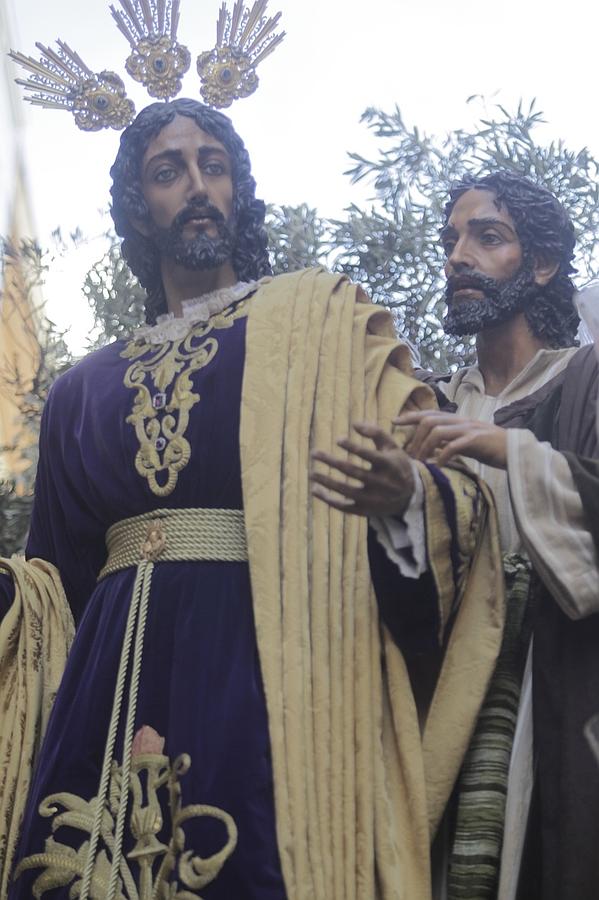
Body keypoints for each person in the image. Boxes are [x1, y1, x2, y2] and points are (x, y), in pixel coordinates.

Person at [1, 99, 505, 900]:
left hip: (266, 666)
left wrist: (404, 495)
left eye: (214, 165)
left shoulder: (322, 322)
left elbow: (448, 481)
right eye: (168, 172)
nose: (196, 186)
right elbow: (50, 587)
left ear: (238, 189)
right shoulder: (79, 390)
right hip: (102, 697)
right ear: (140, 205)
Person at [344, 171, 599, 900]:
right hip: (435, 689)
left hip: (550, 687)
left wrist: (507, 450)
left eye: (487, 237)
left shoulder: (581, 380)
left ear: (541, 265)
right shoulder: (427, 404)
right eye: (451, 239)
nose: (458, 255)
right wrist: (398, 500)